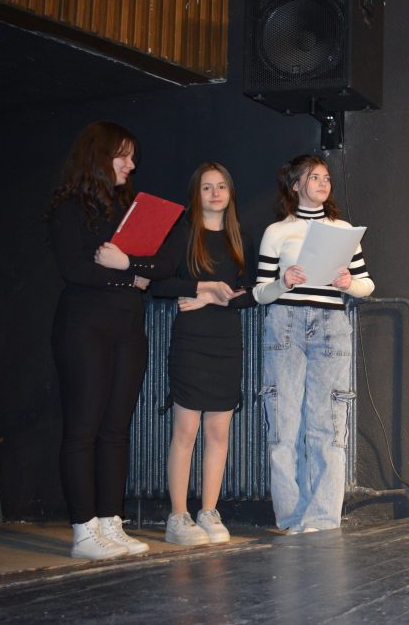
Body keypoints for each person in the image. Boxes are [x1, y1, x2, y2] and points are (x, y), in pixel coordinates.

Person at [48, 121, 174, 559]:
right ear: (99, 157)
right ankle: (84, 530)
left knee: (116, 431)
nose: (131, 165)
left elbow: (164, 266)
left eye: (132, 157)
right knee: (82, 429)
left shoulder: (130, 209)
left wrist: (126, 264)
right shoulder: (69, 207)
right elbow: (74, 269)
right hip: (84, 326)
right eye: (123, 155)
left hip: (127, 328)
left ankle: (109, 522)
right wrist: (129, 275)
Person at [253, 155, 374, 533]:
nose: (323, 183)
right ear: (295, 185)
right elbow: (259, 292)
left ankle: (322, 518)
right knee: (284, 424)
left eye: (326, 177)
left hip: (331, 326)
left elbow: (366, 284)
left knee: (328, 425)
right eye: (314, 177)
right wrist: (283, 282)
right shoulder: (277, 232)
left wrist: (348, 284)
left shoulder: (342, 230)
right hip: (285, 325)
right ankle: (291, 516)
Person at [150, 162, 256, 544]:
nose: (215, 193)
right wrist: (202, 288)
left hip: (226, 342)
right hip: (191, 342)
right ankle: (178, 516)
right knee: (186, 430)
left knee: (218, 431)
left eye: (221, 186)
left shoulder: (240, 238)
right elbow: (157, 283)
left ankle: (209, 511)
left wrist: (214, 298)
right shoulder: (183, 234)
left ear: (230, 193)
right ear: (196, 194)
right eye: (207, 187)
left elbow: (250, 294)